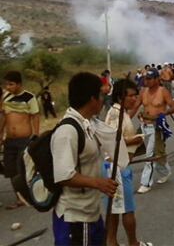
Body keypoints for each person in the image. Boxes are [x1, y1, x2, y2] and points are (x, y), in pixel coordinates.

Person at [51, 72, 121, 245]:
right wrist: (99, 183)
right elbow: (64, 175)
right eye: (101, 95)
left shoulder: (88, 124)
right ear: (92, 99)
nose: (103, 99)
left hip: (92, 213)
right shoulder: (67, 132)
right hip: (75, 218)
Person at [104, 79, 151, 246]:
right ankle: (133, 243)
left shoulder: (122, 113)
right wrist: (135, 140)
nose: (134, 99)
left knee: (115, 209)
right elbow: (112, 141)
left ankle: (113, 242)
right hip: (116, 167)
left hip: (119, 166)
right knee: (127, 209)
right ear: (119, 97)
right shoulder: (116, 114)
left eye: (135, 95)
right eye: (130, 96)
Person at [132, 68, 174, 194]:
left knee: (150, 156)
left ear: (157, 79)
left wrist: (164, 113)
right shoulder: (143, 92)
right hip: (144, 126)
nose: (147, 81)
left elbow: (173, 106)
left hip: (156, 127)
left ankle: (145, 183)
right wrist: (123, 119)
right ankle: (166, 171)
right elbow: (135, 107)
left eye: (150, 78)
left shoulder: (163, 91)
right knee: (156, 153)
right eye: (146, 78)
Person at [0, 71, 40, 209]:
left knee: (22, 168)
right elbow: (4, 117)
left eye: (11, 84)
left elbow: (35, 116)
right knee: (10, 169)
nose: (8, 87)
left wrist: (35, 135)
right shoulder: (5, 97)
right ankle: (19, 198)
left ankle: (29, 195)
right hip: (9, 140)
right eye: (6, 84)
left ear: (19, 84)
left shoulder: (29, 97)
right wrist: (1, 135)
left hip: (24, 139)